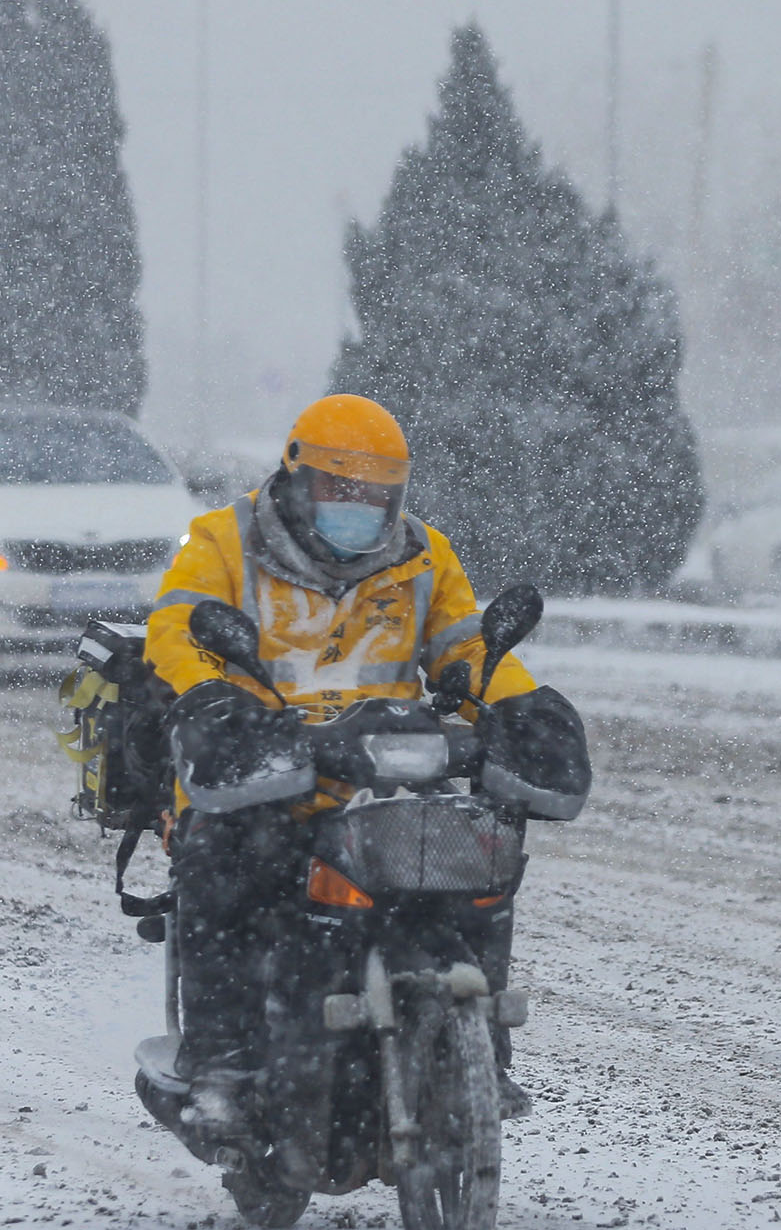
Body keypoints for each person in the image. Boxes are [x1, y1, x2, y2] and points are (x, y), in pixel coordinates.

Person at [145, 393, 567, 1133]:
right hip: (259, 771)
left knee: (481, 862)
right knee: (223, 869)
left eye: (375, 493)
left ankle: (481, 1053)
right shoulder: (220, 543)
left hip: (384, 774)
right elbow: (179, 634)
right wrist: (221, 702)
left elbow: (465, 649)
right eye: (340, 488)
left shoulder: (424, 556)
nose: (357, 505)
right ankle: (220, 1065)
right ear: (298, 480)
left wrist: (514, 704)